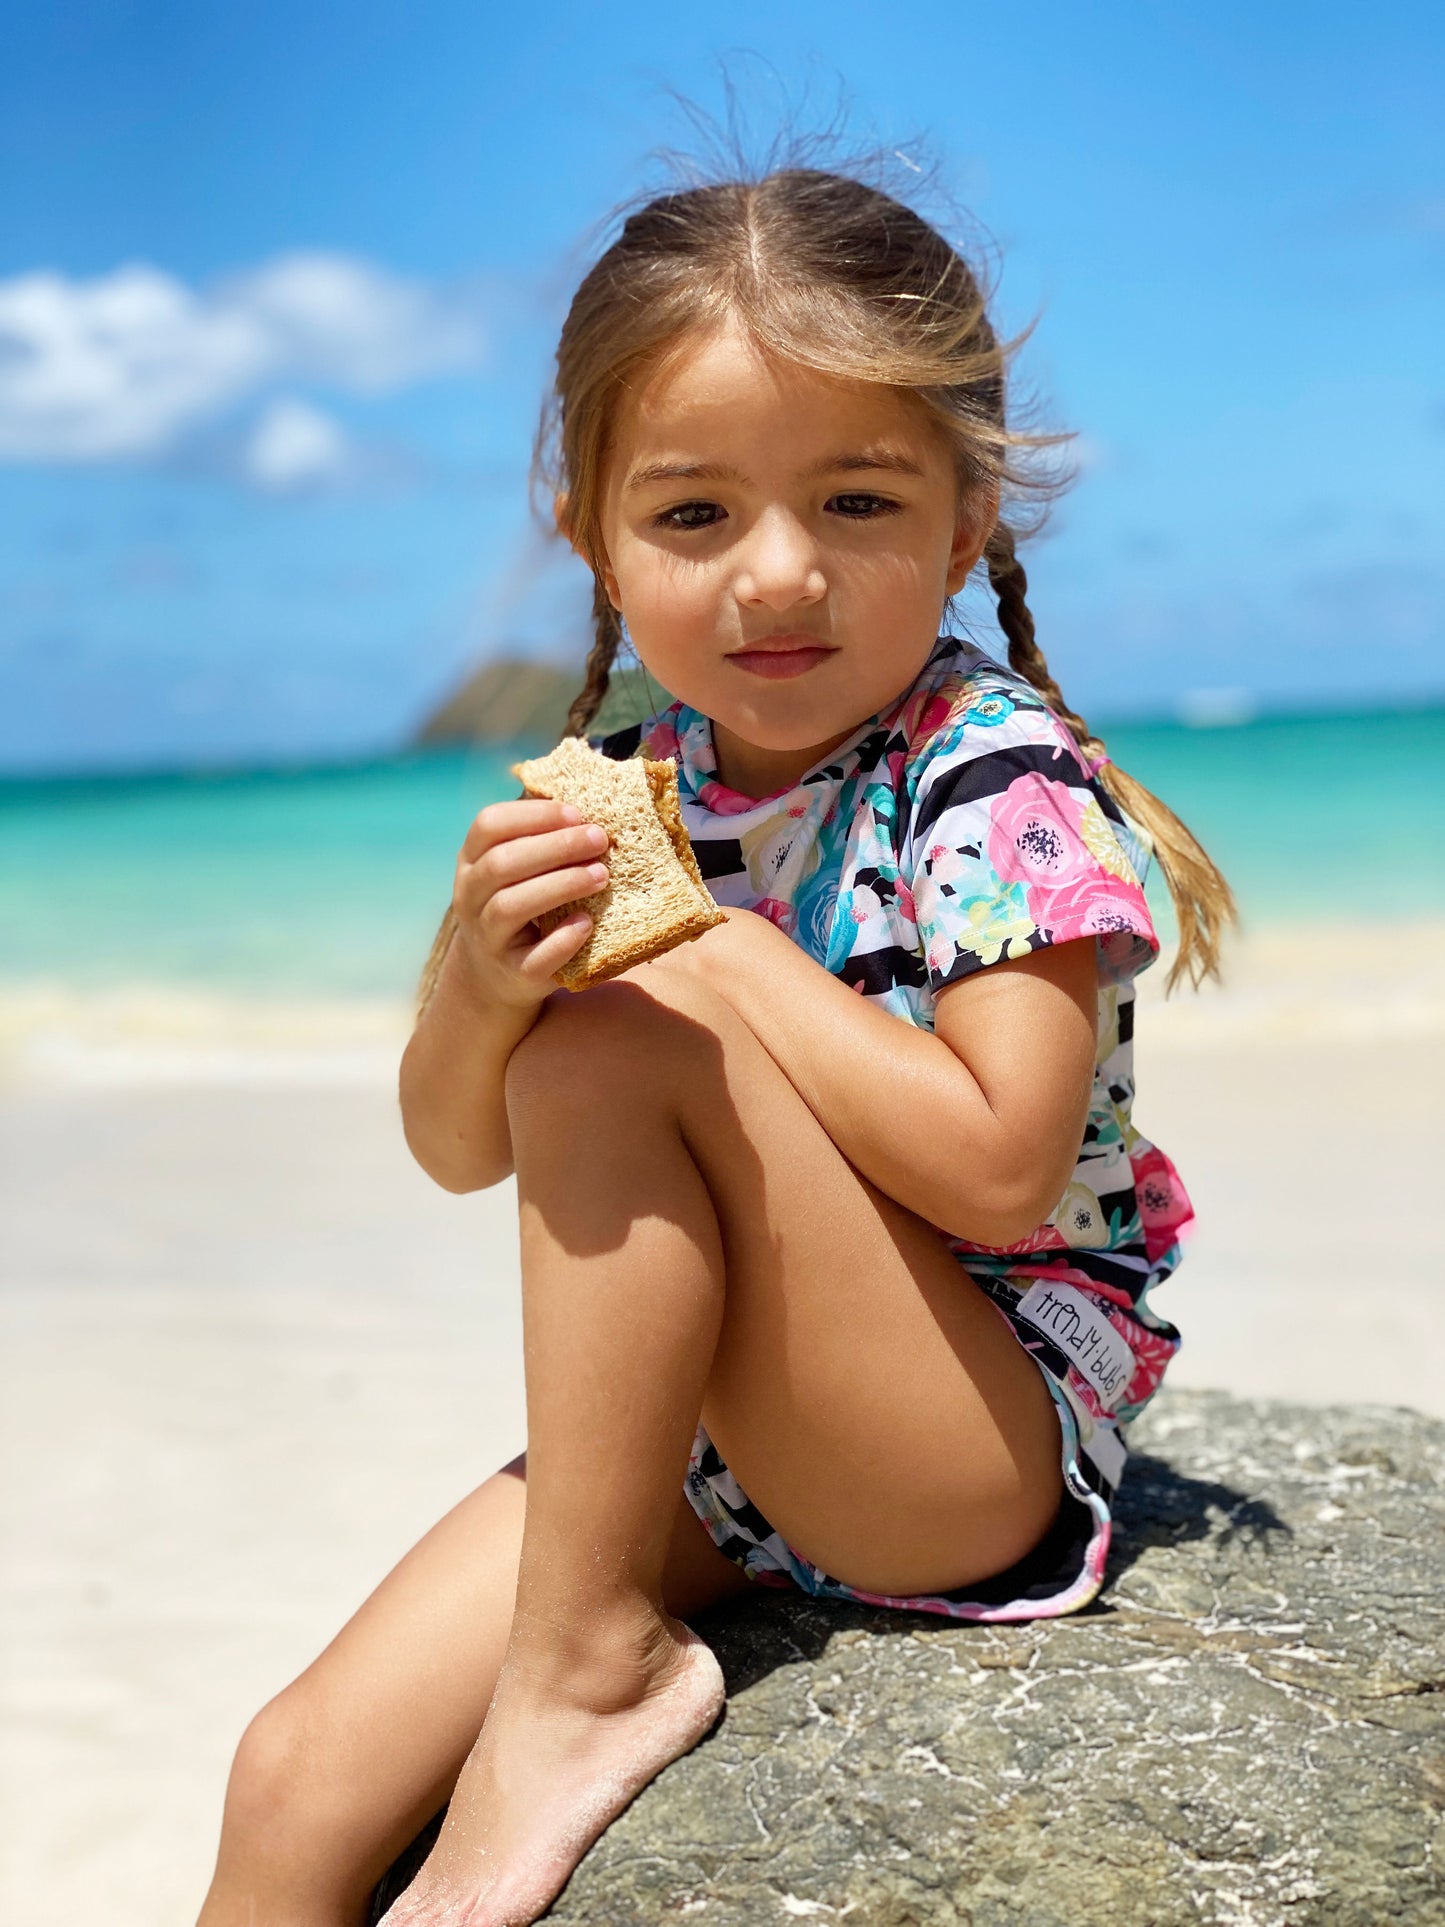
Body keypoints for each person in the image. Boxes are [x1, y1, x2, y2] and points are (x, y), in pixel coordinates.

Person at [197, 162, 1233, 1927]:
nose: (777, 575)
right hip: (722, 1451)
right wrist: (477, 978)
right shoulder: (638, 774)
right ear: (587, 524)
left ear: (968, 513)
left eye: (853, 497)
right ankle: (578, 1635)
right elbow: (461, 1146)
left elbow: (1000, 1168)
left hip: (963, 1437)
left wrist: (711, 958)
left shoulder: (989, 778)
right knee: (292, 1779)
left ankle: (586, 1660)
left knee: (617, 1046)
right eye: (692, 516)